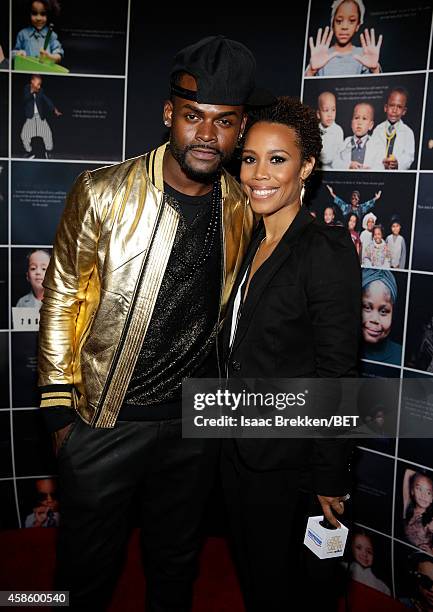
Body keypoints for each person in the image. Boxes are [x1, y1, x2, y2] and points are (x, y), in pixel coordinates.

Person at [37, 35, 270, 611]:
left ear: (241, 129)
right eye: (194, 117)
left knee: (176, 567)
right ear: (170, 113)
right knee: (82, 574)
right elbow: (62, 296)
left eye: (224, 122)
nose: (207, 136)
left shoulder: (242, 207)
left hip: (194, 428)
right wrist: (61, 410)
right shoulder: (102, 192)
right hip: (105, 421)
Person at [220, 96, 361, 612]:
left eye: (277, 159)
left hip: (293, 464)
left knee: (296, 594)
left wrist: (329, 476)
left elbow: (339, 372)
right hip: (238, 453)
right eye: (250, 158)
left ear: (306, 167)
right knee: (258, 584)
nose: (259, 173)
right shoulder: (245, 242)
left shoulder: (324, 249)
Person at [305, 0, 382, 77]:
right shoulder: (320, 55)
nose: (344, 27)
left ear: (358, 25)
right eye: (339, 21)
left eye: (352, 21)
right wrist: (311, 71)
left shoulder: (365, 54)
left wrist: (375, 70)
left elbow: (375, 87)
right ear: (332, 24)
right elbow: (307, 87)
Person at [361, 268, 401, 365]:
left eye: (383, 311)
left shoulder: (402, 356)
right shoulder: (342, 351)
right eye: (367, 307)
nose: (375, 319)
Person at [370, 87, 415, 170]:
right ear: (385, 108)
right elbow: (372, 152)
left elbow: (409, 157)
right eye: (391, 105)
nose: (394, 110)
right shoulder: (378, 129)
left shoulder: (408, 132)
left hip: (397, 175)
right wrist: (381, 163)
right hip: (379, 171)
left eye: (399, 107)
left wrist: (398, 164)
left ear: (404, 111)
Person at [20, 74, 62, 159]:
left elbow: (47, 100)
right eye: (38, 84)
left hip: (40, 117)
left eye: (40, 84)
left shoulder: (41, 91)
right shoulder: (26, 89)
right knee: (24, 135)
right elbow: (25, 99)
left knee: (47, 134)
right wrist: (31, 92)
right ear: (32, 82)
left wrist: (54, 109)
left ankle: (48, 152)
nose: (39, 86)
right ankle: (29, 152)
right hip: (30, 117)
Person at [13, 0, 64, 65]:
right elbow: (13, 53)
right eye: (34, 13)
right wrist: (18, 53)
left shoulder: (51, 35)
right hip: (27, 71)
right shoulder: (22, 34)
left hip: (45, 72)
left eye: (43, 14)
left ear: (49, 14)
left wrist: (50, 57)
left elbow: (59, 55)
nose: (38, 18)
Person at [332, 102, 379, 169]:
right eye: (356, 118)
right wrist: (348, 165)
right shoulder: (346, 142)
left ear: (370, 125)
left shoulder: (375, 144)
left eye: (364, 118)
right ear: (351, 123)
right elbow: (335, 163)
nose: (359, 122)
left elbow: (379, 164)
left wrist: (370, 169)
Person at [346, 528, 391, 595]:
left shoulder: (382, 586)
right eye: (359, 548)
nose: (364, 554)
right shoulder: (344, 569)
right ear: (351, 548)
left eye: (369, 551)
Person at [403, 469, 433, 555]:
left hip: (421, 557)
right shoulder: (407, 507)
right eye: (419, 489)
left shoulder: (431, 520)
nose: (423, 495)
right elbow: (408, 472)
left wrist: (431, 553)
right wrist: (424, 473)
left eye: (428, 492)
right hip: (405, 552)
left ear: (432, 498)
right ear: (412, 491)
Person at [316, 91, 344, 169]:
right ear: (318, 114)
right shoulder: (316, 130)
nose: (330, 114)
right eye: (326, 110)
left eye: (333, 110)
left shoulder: (338, 130)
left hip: (333, 166)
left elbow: (336, 155)